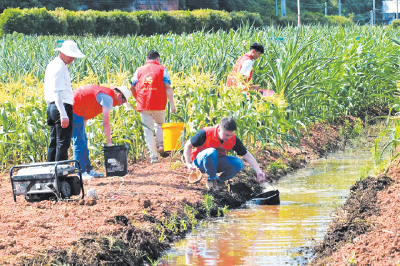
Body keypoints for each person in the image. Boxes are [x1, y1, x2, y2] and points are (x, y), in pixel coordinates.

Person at [183, 117, 266, 189]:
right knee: (211, 152)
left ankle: (219, 181)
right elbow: (188, 145)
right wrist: (188, 163)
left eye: (230, 135)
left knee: (239, 163)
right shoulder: (205, 133)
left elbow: (246, 154)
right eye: (226, 135)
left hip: (215, 163)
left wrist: (258, 171)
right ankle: (211, 180)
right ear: (219, 129)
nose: (228, 138)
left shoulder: (233, 139)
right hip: (199, 164)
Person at [72, 84, 132, 179]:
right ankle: (81, 172)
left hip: (78, 109)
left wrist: (85, 119)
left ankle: (88, 169)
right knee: (79, 141)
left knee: (83, 140)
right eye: (123, 101)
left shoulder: (106, 94)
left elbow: (88, 100)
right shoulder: (108, 98)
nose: (121, 104)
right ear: (119, 95)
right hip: (74, 108)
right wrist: (109, 144)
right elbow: (106, 122)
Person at [130, 50, 176, 163]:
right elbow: (168, 87)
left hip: (143, 104)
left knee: (148, 130)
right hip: (159, 104)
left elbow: (132, 86)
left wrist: (138, 98)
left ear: (147, 59)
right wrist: (172, 105)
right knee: (160, 124)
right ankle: (160, 145)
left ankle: (154, 157)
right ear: (158, 59)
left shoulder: (139, 70)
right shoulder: (162, 69)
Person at [44, 40, 85, 162]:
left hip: (52, 106)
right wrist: (63, 114)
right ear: (63, 53)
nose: (73, 59)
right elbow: (57, 92)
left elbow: (47, 89)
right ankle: (60, 175)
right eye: (71, 55)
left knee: (54, 142)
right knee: (63, 142)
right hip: (61, 106)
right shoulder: (59, 68)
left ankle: (51, 170)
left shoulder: (53, 65)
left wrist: (51, 108)